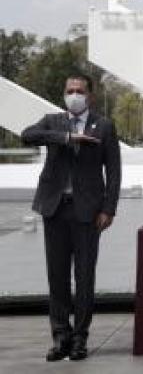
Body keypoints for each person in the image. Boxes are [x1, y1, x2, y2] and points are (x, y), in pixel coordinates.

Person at [21, 73, 121, 362]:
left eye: (79, 90)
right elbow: (27, 135)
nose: (74, 94)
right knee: (57, 277)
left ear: (89, 95)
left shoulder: (103, 126)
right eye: (69, 90)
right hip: (55, 209)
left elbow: (113, 172)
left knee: (85, 277)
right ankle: (60, 336)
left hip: (89, 213)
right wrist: (67, 137)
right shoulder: (52, 121)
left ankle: (80, 338)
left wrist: (109, 209)